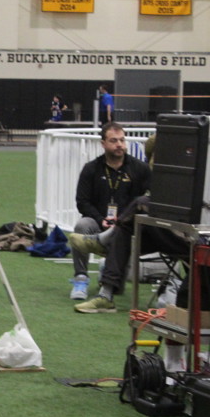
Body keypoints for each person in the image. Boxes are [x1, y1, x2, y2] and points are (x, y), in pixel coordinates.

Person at [67, 122, 151, 308]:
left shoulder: (140, 169)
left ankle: (107, 269)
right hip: (99, 224)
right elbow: (82, 202)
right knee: (82, 226)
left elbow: (149, 199)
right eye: (113, 141)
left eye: (122, 140)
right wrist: (101, 220)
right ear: (103, 144)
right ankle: (81, 278)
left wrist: (123, 221)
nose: (119, 145)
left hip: (127, 227)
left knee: (118, 289)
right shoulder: (91, 169)